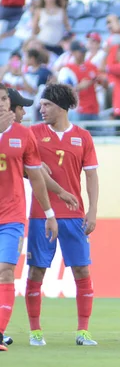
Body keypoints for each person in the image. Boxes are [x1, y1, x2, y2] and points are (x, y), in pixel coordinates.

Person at [26, 84, 99, 347]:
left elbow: (91, 175)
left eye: (46, 105)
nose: (41, 109)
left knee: (81, 269)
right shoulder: (33, 134)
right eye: (41, 105)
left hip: (73, 215)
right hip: (40, 214)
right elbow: (26, 168)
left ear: (61, 107)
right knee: (36, 271)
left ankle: (83, 331)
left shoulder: (83, 137)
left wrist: (92, 210)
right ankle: (35, 332)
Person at [0, 83, 58, 352]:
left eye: (3, 99)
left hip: (11, 215)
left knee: (6, 271)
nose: (1, 104)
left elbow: (35, 176)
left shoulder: (23, 135)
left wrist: (49, 213)